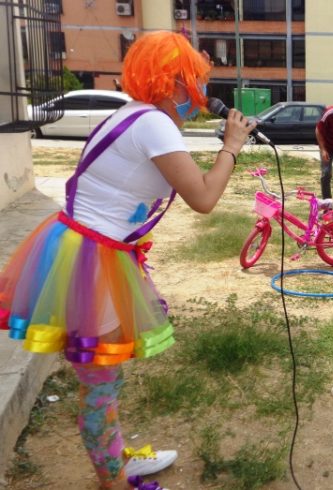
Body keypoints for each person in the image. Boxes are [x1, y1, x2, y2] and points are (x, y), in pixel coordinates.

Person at [0, 32, 253, 490]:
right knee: (99, 385)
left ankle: (113, 460)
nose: (198, 91)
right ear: (176, 81)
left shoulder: (131, 115)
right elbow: (203, 197)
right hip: (93, 261)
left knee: (101, 379)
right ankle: (113, 479)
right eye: (194, 80)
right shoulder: (154, 124)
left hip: (78, 251)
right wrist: (231, 146)